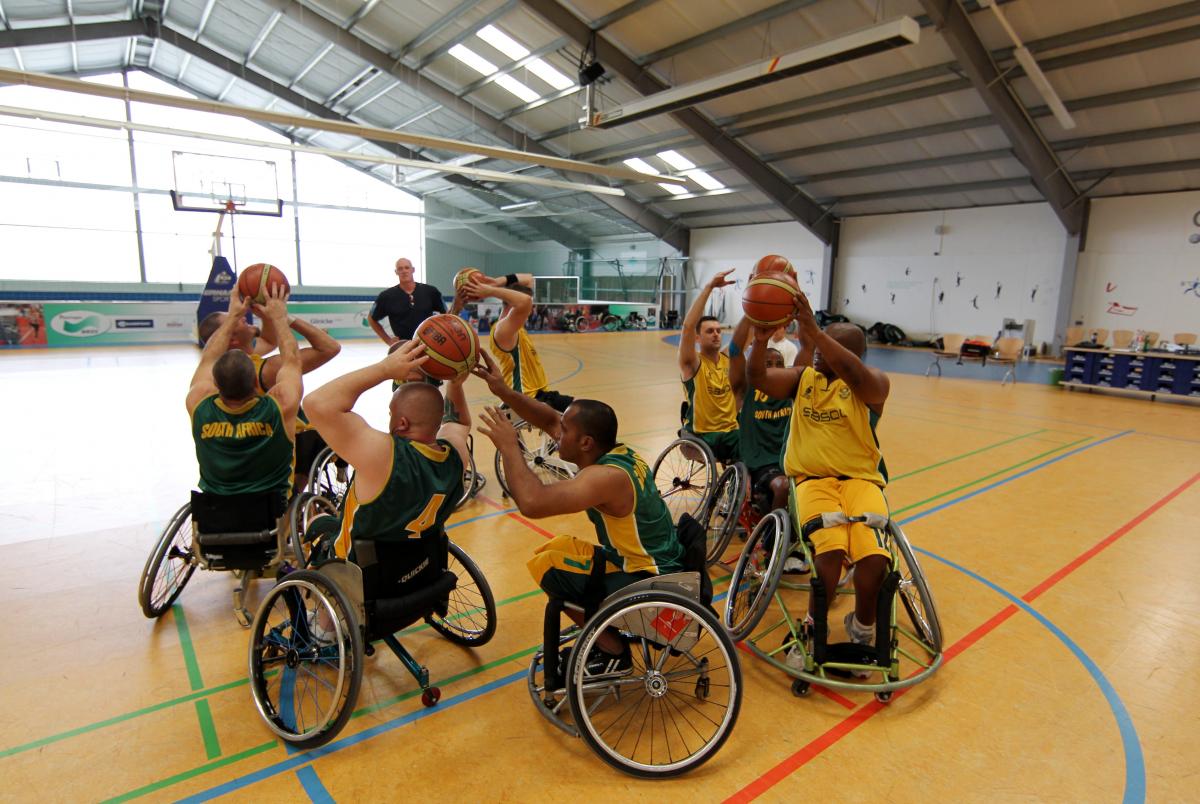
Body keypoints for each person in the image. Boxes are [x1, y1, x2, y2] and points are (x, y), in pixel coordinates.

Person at [473, 352, 685, 671]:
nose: (557, 431)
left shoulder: (604, 478)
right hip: (654, 561)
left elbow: (532, 503)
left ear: (585, 442)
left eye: (565, 429)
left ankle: (613, 652)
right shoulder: (615, 451)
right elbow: (546, 418)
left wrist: (508, 447)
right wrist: (503, 391)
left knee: (549, 566)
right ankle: (606, 630)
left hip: (650, 577)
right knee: (555, 548)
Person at [747, 292, 890, 673]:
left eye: (826, 347)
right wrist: (760, 339)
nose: (814, 351)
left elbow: (858, 374)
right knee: (826, 556)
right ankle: (812, 630)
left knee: (874, 559)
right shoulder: (802, 378)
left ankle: (862, 629)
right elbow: (757, 376)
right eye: (816, 344)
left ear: (850, 356)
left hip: (860, 482)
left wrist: (814, 331)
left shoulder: (872, 384)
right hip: (813, 483)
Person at [303, 341, 468, 595]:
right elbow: (458, 422)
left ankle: (323, 629)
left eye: (391, 412)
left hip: (364, 579)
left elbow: (316, 403)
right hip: (420, 571)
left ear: (401, 423)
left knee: (317, 522)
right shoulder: (457, 456)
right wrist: (456, 382)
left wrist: (384, 369)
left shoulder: (383, 455)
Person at [198, 296, 341, 491]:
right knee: (320, 425)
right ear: (233, 339)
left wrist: (242, 318)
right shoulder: (268, 370)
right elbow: (329, 347)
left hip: (230, 477)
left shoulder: (208, 384)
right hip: (277, 455)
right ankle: (302, 487)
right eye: (236, 319)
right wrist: (283, 317)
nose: (242, 317)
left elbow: (268, 340)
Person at [186, 287, 300, 501]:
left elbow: (208, 359)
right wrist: (279, 318)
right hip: (270, 517)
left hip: (214, 518)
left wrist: (233, 317)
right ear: (256, 382)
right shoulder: (280, 406)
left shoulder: (199, 402)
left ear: (215, 385)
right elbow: (292, 359)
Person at [463, 272, 574, 413]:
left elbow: (529, 279)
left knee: (584, 409)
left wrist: (498, 281)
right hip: (526, 398)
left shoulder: (514, 326)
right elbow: (525, 301)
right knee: (583, 413)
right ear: (513, 303)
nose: (532, 308)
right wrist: (490, 291)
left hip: (539, 395)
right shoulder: (503, 330)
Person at [727, 316, 800, 520]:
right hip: (761, 463)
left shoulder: (791, 389)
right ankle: (772, 540)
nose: (774, 367)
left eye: (779, 364)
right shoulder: (745, 387)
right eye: (768, 363)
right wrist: (750, 313)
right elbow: (734, 351)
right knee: (782, 485)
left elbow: (809, 348)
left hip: (789, 459)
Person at [677, 269, 739, 462]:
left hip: (729, 432)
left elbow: (749, 330)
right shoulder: (692, 363)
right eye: (710, 331)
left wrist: (758, 290)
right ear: (697, 337)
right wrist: (709, 287)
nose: (716, 334)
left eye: (719, 331)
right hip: (702, 435)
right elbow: (687, 327)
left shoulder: (728, 358)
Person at [368, 257, 447, 344]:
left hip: (429, 345)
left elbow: (447, 314)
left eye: (407, 267)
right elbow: (371, 319)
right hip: (403, 347)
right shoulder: (386, 296)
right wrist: (389, 341)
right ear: (396, 272)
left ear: (413, 270)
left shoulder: (431, 291)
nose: (404, 271)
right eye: (400, 268)